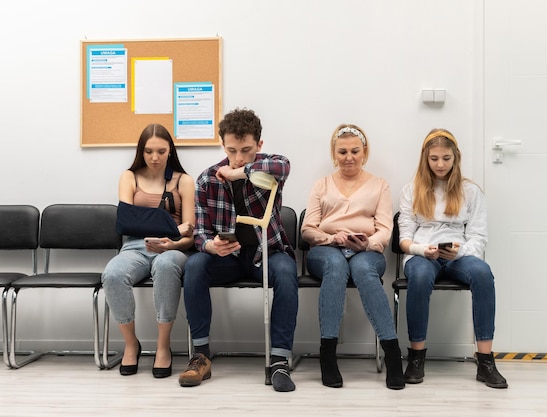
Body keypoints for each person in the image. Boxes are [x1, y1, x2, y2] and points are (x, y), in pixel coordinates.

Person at [178, 108, 298, 392]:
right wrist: (211, 245)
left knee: (285, 270)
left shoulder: (270, 168)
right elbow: (200, 233)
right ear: (223, 146)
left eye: (246, 150)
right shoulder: (207, 179)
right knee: (194, 266)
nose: (239, 156)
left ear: (260, 145)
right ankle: (200, 356)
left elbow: (284, 166)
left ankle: (280, 360)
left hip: (266, 252)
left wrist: (238, 172)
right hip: (228, 259)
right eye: (232, 150)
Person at [397, 128, 508, 389]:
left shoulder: (472, 191)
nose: (440, 164)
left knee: (482, 273)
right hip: (423, 253)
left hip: (460, 255)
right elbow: (404, 239)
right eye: (434, 158)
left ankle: (485, 360)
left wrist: (459, 252)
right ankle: (416, 357)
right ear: (425, 158)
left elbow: (479, 238)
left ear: (456, 157)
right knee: (421, 275)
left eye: (446, 158)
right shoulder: (411, 190)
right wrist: (423, 251)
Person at [301, 124, 405, 390]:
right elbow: (308, 229)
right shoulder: (321, 185)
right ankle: (328, 355)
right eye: (343, 151)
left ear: (364, 152)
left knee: (363, 271)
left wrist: (367, 243)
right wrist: (331, 239)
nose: (349, 157)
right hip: (326, 250)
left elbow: (385, 228)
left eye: (355, 151)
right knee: (336, 266)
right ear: (334, 154)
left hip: (366, 250)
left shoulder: (380, 185)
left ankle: (393, 355)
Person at [101, 123, 195, 378]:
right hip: (134, 246)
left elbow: (190, 234)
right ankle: (131, 344)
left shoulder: (183, 181)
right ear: (141, 152)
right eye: (149, 151)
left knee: (165, 267)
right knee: (112, 275)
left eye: (161, 151)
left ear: (170, 151)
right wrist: (173, 226)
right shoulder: (129, 177)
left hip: (172, 250)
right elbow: (125, 222)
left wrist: (173, 241)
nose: (155, 157)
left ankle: (163, 346)